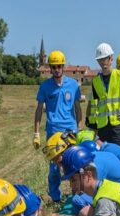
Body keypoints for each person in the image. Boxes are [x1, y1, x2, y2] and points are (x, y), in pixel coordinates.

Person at [34, 50, 82, 203]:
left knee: (74, 163)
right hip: (53, 131)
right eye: (53, 67)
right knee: (54, 168)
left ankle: (78, 193)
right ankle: (56, 197)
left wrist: (79, 128)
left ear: (63, 66)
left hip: (71, 130)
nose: (56, 70)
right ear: (50, 68)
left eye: (58, 66)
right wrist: (36, 133)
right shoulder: (45, 86)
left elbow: (78, 108)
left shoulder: (73, 85)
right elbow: (38, 109)